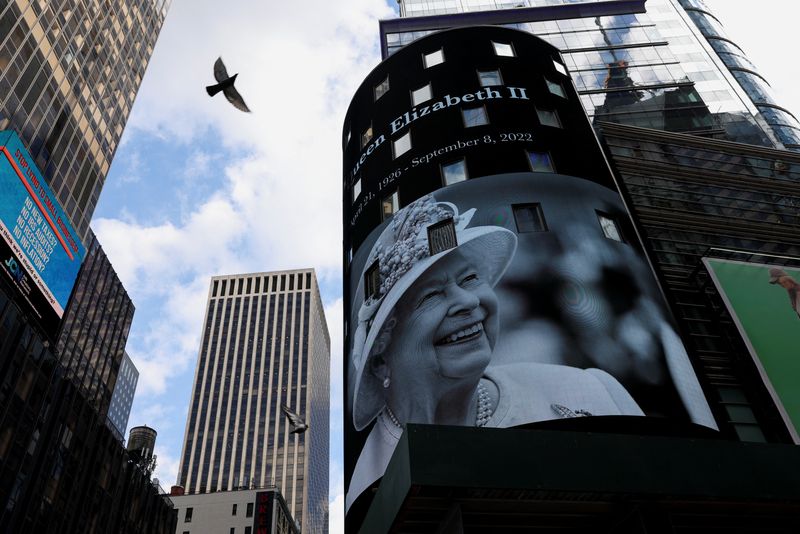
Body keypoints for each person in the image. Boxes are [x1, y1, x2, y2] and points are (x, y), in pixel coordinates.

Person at [345, 195, 643, 511]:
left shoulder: (594, 390)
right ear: (380, 362)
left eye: (470, 278)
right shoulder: (371, 495)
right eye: (431, 295)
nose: (469, 301)